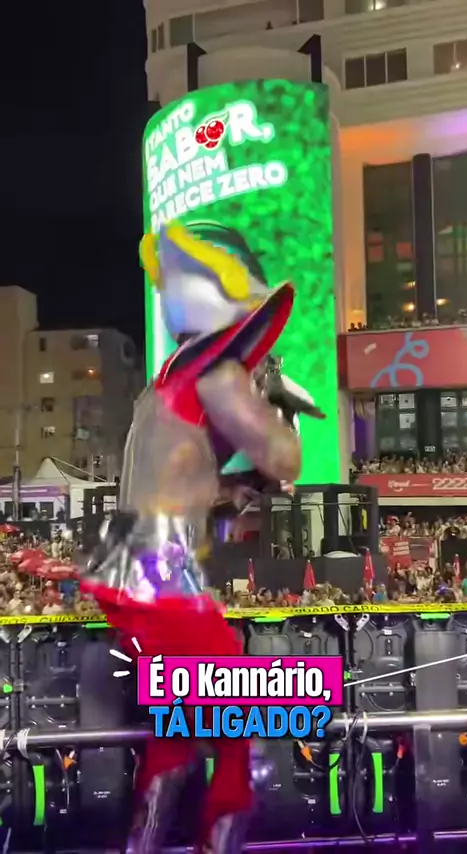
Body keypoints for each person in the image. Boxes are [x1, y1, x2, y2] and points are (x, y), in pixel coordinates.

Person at [79, 222, 322, 854]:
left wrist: (235, 488)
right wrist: (278, 404)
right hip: (160, 576)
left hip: (127, 567)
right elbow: (285, 457)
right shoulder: (219, 373)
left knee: (178, 738)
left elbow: (176, 480)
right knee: (249, 721)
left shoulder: (167, 379)